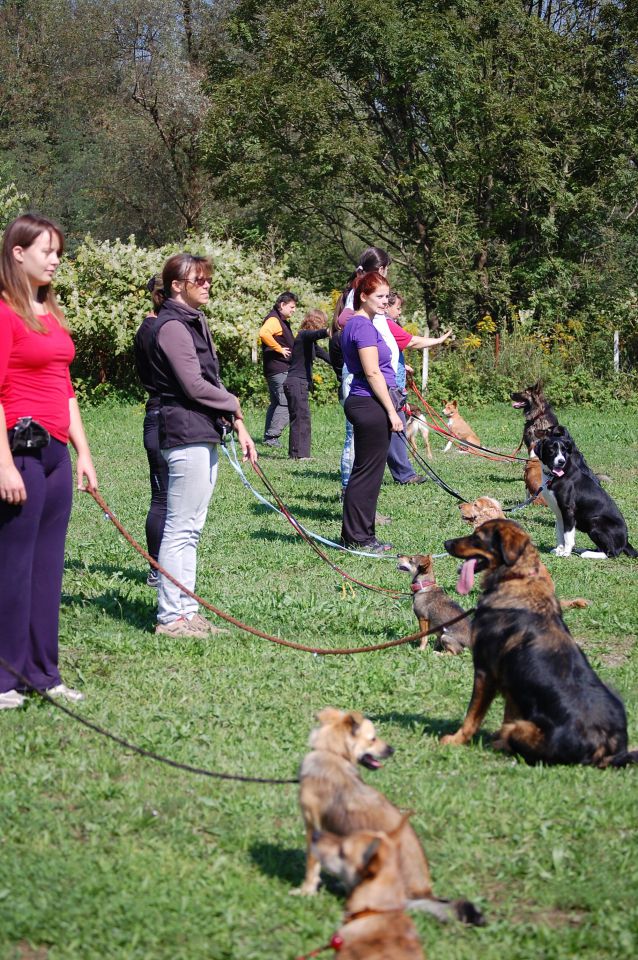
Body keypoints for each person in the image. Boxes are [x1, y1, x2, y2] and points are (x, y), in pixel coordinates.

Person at [0, 213, 98, 708]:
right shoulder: (2, 313)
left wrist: (82, 452)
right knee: (13, 566)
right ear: (18, 253)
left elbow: (65, 388)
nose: (57, 260)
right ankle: (5, 678)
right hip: (20, 452)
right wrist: (3, 465)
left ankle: (43, 672)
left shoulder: (50, 313)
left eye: (59, 251)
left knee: (47, 568)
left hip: (56, 454)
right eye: (48, 251)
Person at [146, 252, 257, 637]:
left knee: (191, 528)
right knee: (180, 529)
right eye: (200, 280)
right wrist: (235, 403)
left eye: (209, 279)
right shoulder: (173, 326)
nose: (207, 284)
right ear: (177, 286)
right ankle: (171, 617)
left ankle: (187, 611)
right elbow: (193, 385)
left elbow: (210, 378)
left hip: (201, 430)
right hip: (184, 431)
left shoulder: (193, 320)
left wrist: (236, 421)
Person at [340, 272, 403, 553]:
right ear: (363, 296)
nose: (384, 302)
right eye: (379, 296)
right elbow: (372, 371)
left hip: (363, 400)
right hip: (369, 402)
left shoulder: (355, 324)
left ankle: (360, 535)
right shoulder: (363, 327)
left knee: (365, 472)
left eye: (387, 297)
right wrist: (392, 412)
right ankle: (359, 538)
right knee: (368, 474)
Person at [384, 290, 453, 483]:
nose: (399, 312)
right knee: (396, 430)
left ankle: (403, 473)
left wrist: (400, 365)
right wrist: (438, 341)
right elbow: (412, 341)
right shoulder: (387, 324)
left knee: (393, 431)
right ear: (387, 306)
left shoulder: (384, 324)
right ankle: (405, 475)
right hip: (391, 389)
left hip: (393, 386)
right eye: (397, 308)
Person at [133, 275, 169, 588]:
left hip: (167, 417)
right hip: (160, 417)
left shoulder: (157, 327)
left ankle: (170, 567)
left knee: (172, 499)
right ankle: (157, 568)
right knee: (162, 498)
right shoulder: (153, 330)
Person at [283, 308, 331, 460]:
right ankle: (301, 455)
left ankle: (295, 454)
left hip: (296, 383)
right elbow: (315, 334)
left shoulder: (310, 344)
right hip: (297, 382)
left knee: (300, 417)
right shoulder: (304, 335)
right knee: (302, 418)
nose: (323, 326)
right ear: (316, 323)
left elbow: (327, 357)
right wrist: (330, 330)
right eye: (322, 324)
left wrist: (344, 365)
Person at [258, 291, 298, 447]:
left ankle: (269, 436)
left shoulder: (278, 319)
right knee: (286, 401)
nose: (294, 310)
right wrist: (279, 349)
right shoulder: (274, 320)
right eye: (292, 307)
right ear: (282, 305)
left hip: (273, 369)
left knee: (276, 402)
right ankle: (272, 437)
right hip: (279, 368)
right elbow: (263, 333)